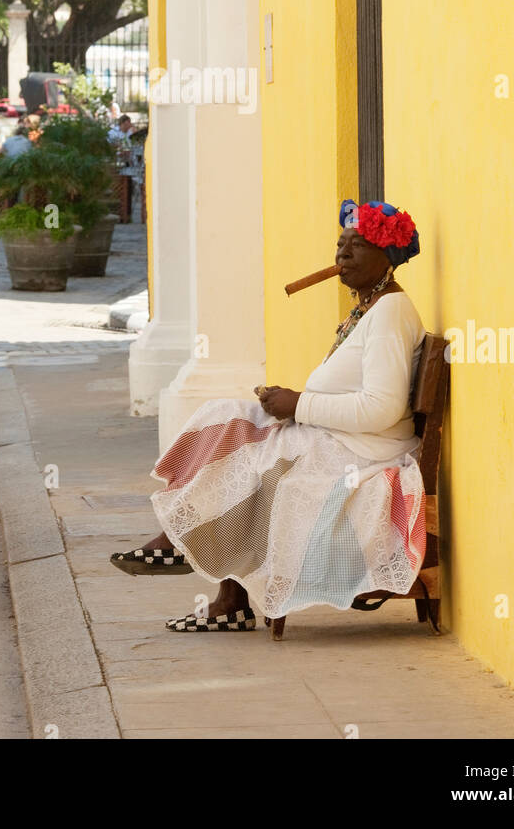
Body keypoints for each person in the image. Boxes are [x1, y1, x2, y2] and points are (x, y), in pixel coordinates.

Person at [110, 198, 426, 632]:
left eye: (358, 245)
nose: (343, 255)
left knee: (251, 463)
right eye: (340, 244)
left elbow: (382, 408)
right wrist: (292, 405)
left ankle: (188, 553)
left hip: (366, 450)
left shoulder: (389, 312)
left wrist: (298, 404)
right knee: (225, 417)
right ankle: (214, 581)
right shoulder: (370, 306)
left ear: (387, 256)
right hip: (335, 436)